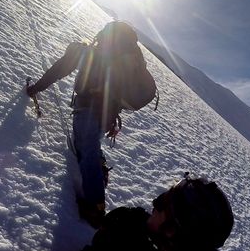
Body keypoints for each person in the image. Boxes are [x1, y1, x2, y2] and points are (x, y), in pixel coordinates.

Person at [26, 21, 156, 227]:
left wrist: (36, 88)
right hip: (108, 115)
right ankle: (99, 167)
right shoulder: (125, 60)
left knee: (86, 150)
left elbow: (60, 69)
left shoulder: (90, 53)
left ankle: (95, 207)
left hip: (88, 110)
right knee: (89, 146)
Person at [75, 175, 235, 251]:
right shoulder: (133, 224)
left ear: (171, 231)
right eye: (162, 196)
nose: (153, 204)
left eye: (160, 203)